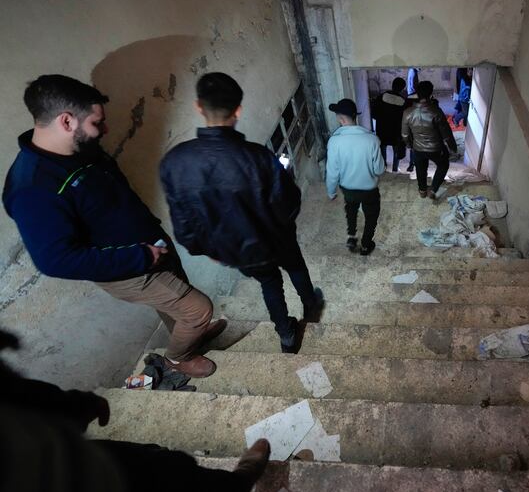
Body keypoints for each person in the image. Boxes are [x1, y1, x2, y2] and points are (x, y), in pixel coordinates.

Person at [2, 75, 224, 378]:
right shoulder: (32, 189)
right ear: (66, 122)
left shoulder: (82, 148)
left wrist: (151, 242)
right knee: (198, 309)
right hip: (129, 268)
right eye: (96, 123)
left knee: (179, 298)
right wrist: (140, 257)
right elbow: (56, 260)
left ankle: (191, 334)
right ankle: (179, 358)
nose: (105, 130)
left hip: (150, 242)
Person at [160, 73, 323, 355]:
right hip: (277, 239)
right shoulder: (258, 157)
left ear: (199, 106)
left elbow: (184, 227)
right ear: (238, 110)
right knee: (296, 268)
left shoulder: (175, 163)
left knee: (270, 284)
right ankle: (311, 305)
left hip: (238, 251)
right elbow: (290, 204)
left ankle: (286, 334)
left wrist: (212, 250)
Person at [0, 328, 270, 492]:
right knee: (171, 477)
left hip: (76, 455)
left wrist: (73, 405)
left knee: (164, 465)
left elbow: (12, 393)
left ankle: (235, 481)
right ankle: (241, 481)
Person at [325, 98, 385, 256]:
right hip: (369, 190)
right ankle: (366, 244)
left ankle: (352, 236)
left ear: (340, 118)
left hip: (349, 189)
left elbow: (332, 171)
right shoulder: (371, 139)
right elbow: (379, 169)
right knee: (371, 216)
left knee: (350, 209)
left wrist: (331, 192)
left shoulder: (334, 142)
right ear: (354, 116)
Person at [401, 81, 458, 200]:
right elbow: (446, 133)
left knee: (421, 169)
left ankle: (422, 190)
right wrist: (452, 147)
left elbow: (405, 134)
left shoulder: (408, 112)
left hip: (418, 148)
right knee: (443, 165)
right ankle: (433, 189)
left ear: (417, 94)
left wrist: (409, 145)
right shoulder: (436, 111)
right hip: (436, 148)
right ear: (431, 93)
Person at [370, 77, 408, 172]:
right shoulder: (403, 101)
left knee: (382, 147)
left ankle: (383, 167)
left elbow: (374, 113)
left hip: (382, 129)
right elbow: (405, 119)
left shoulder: (382, 96)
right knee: (396, 149)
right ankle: (395, 169)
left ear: (392, 85)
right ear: (402, 88)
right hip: (395, 131)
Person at [405, 68, 420, 172]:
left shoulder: (411, 70)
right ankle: (413, 163)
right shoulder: (413, 71)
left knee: (414, 146)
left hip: (411, 95)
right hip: (413, 94)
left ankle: (412, 164)